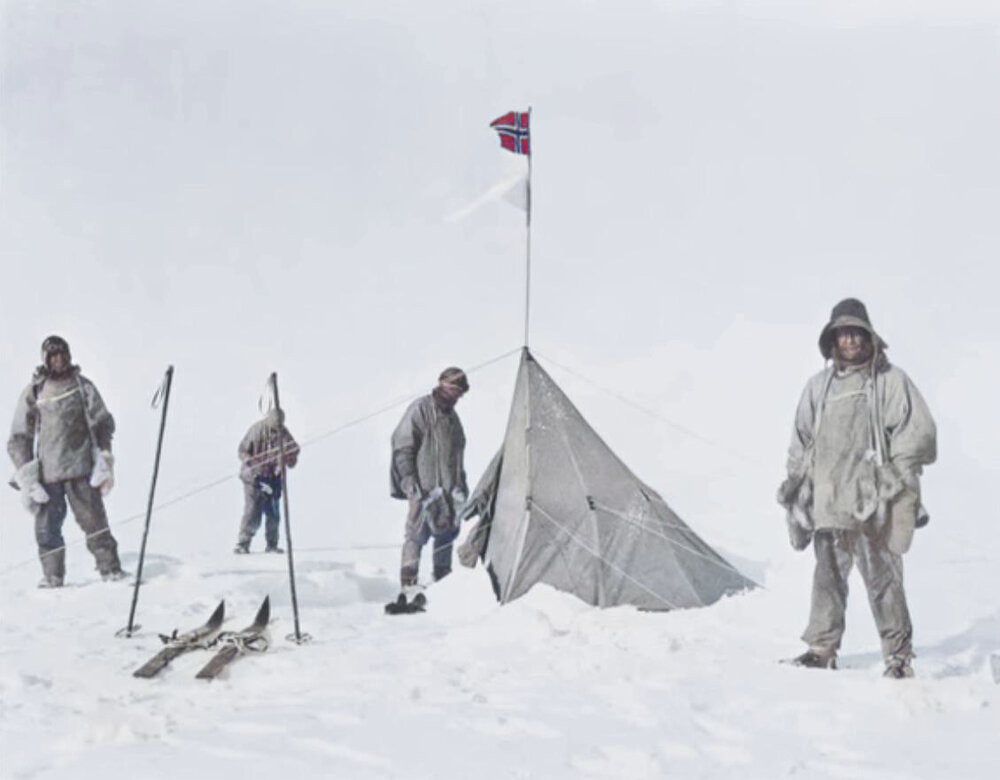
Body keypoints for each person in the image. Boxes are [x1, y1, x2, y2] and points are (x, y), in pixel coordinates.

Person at [777, 299, 937, 678]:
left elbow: (919, 434)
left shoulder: (891, 381)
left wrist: (895, 478)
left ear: (869, 335)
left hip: (873, 504)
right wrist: (798, 485)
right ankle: (822, 649)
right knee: (827, 580)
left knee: (885, 584)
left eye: (855, 331)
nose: (849, 338)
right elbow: (800, 441)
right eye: (842, 332)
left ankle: (898, 658)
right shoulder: (818, 387)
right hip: (829, 502)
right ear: (832, 339)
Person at [8, 336, 125, 587]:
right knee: (47, 530)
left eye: (62, 354)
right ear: (45, 359)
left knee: (95, 523)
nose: (58, 359)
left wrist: (104, 456)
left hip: (81, 470)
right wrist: (27, 475)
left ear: (68, 356)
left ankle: (110, 569)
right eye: (53, 355)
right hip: (48, 477)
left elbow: (103, 422)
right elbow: (19, 436)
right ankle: (53, 577)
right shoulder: (36, 391)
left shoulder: (82, 387)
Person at [390, 367, 470, 589]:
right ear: (444, 386)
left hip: (448, 490)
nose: (457, 397)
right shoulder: (420, 409)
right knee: (416, 534)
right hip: (422, 488)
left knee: (446, 535)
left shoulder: (453, 419)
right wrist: (408, 480)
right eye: (455, 391)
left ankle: (442, 583)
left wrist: (460, 486)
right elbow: (403, 445)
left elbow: (458, 456)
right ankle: (408, 583)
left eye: (460, 393)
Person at [234, 408, 299, 554]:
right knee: (253, 512)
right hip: (254, 479)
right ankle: (243, 543)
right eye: (274, 426)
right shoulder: (256, 430)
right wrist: (252, 463)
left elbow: (294, 450)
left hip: (273, 479)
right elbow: (242, 450)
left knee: (273, 513)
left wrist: (288, 458)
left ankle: (272, 544)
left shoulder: (283, 432)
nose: (277, 429)